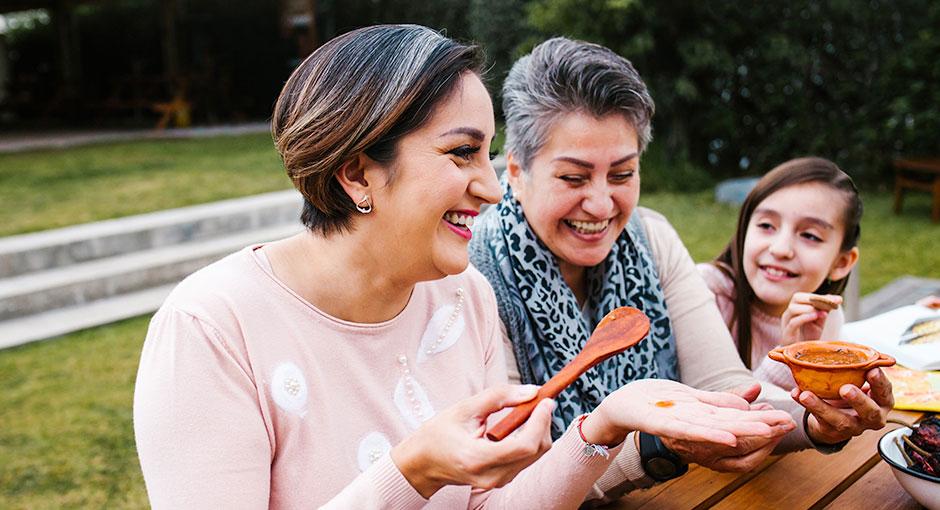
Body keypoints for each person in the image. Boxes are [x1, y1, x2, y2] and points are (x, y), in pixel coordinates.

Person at [133, 25, 791, 509]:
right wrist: (411, 471)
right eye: (461, 154)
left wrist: (602, 425)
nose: (493, 188)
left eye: (488, 154)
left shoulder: (462, 296)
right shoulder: (211, 329)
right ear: (358, 170)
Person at [468, 37, 893, 503]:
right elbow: (510, 472)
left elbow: (727, 388)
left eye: (623, 174)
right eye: (573, 177)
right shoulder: (474, 272)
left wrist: (816, 421)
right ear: (515, 170)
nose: (601, 203)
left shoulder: (652, 238)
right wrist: (651, 447)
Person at [698, 157, 863, 390]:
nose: (780, 249)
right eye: (766, 226)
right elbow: (715, 409)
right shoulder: (706, 293)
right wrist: (787, 357)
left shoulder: (826, 319)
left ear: (841, 263)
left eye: (810, 236)